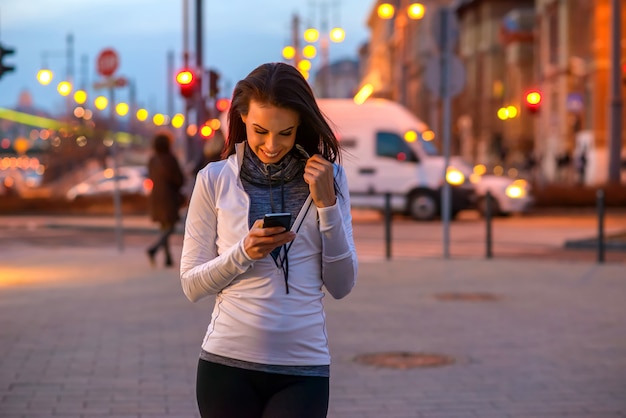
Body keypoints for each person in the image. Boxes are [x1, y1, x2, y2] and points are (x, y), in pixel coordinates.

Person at [179, 62, 358, 418]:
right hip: (225, 367)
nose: (272, 146)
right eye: (260, 131)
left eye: (285, 133)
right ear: (242, 117)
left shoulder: (329, 178)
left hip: (303, 370)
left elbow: (341, 284)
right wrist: (243, 251)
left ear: (300, 126)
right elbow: (191, 285)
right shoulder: (214, 180)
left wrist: (327, 206)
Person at [146, 131, 185, 268]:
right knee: (171, 226)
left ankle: (168, 258)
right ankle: (154, 248)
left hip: (156, 196)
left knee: (164, 227)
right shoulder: (170, 159)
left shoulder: (152, 159)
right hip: (169, 197)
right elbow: (179, 179)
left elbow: (150, 176)